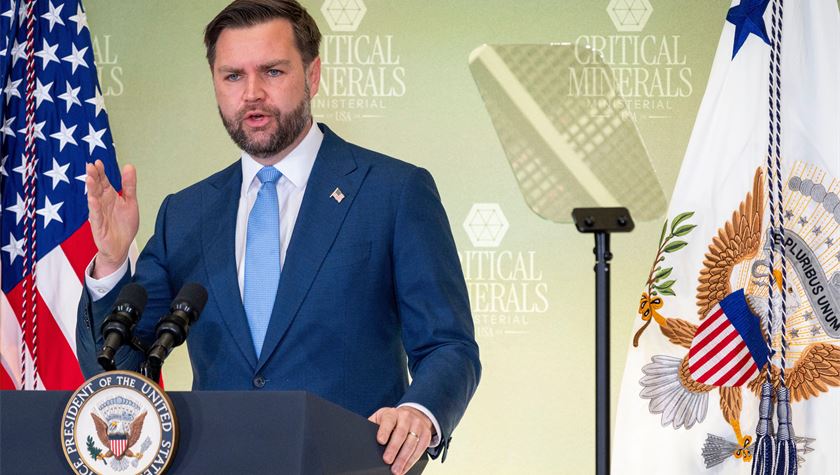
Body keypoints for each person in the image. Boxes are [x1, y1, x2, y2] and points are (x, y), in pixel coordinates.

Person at [75, 1, 480, 473]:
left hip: (352, 463)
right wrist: (112, 262)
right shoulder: (185, 214)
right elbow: (117, 375)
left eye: (272, 71)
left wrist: (419, 413)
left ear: (312, 75)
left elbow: (449, 346)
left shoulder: (393, 192)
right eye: (233, 76)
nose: (252, 94)